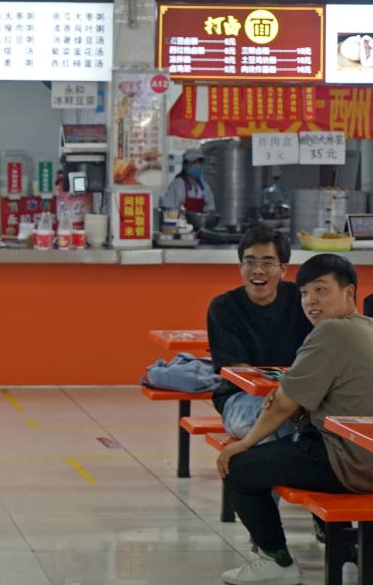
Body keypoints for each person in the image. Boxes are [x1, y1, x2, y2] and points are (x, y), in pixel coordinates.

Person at [217, 254, 373, 585]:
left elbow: (282, 404)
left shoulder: (331, 331)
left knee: (239, 469)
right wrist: (291, 399)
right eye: (304, 293)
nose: (311, 301)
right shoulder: (366, 327)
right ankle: (345, 547)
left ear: (348, 292)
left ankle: (277, 562)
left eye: (321, 290)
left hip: (349, 462)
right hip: (364, 453)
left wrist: (243, 444)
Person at [207, 225, 312, 440]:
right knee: (281, 425)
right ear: (240, 267)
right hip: (241, 399)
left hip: (294, 397)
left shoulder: (302, 301)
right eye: (250, 262)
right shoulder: (223, 307)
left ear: (283, 269)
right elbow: (238, 370)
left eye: (267, 263)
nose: (258, 270)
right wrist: (280, 396)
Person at [160, 147, 215, 215]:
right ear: (185, 165)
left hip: (200, 221)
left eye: (199, 163)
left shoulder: (205, 187)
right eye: (194, 162)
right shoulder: (178, 184)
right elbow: (167, 208)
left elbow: (210, 208)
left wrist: (208, 214)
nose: (197, 165)